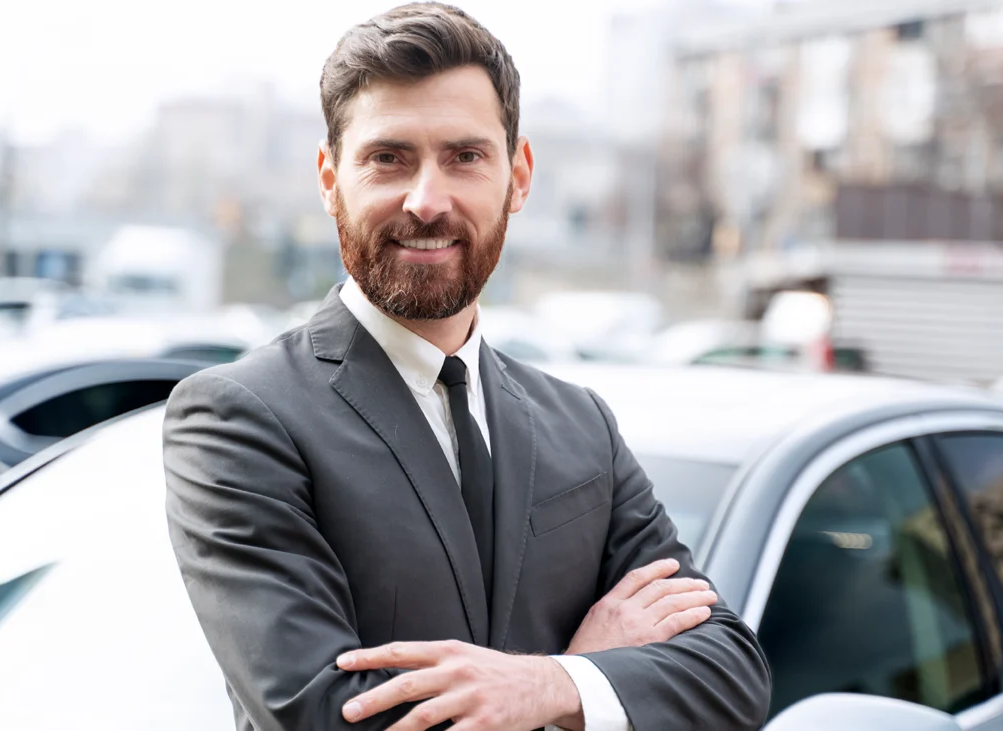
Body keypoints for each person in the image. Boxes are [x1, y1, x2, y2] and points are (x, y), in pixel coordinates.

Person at [163, 4, 771, 729]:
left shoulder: (582, 425)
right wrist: (579, 684)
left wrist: (556, 683)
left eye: (464, 156)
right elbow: (325, 717)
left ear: (518, 177)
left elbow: (730, 674)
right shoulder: (240, 417)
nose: (427, 201)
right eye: (389, 157)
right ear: (329, 179)